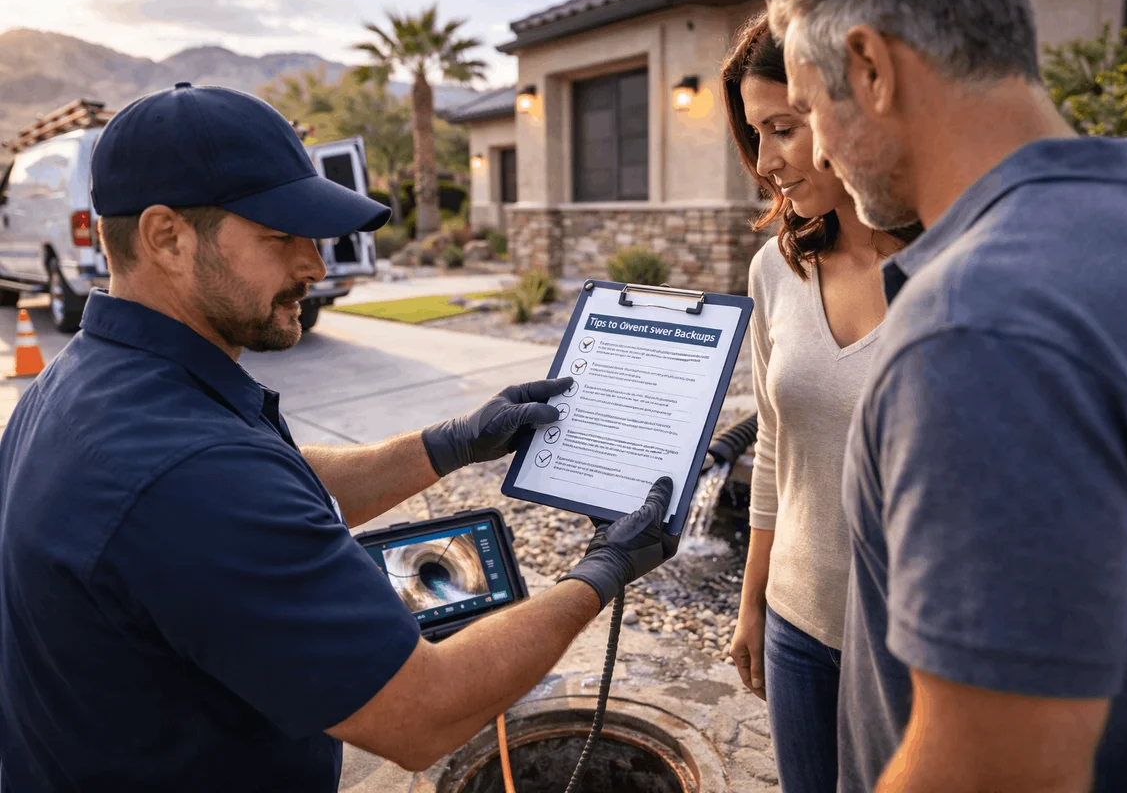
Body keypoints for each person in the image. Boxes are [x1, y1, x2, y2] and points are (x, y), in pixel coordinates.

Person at [0, 82, 678, 792]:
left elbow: (280, 481)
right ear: (167, 237)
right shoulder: (188, 471)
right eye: (280, 236)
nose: (316, 267)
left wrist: (451, 443)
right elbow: (425, 714)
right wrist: (601, 571)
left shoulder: (77, 384)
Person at [765, 0, 1127, 791]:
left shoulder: (975, 328)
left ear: (870, 69)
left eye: (806, 108)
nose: (818, 150)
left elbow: (996, 772)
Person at [719, 13, 918, 792]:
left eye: (781, 128)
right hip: (797, 626)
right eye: (753, 134)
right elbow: (773, 443)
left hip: (909, 645)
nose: (764, 162)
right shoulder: (777, 267)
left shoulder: (950, 271)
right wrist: (753, 604)